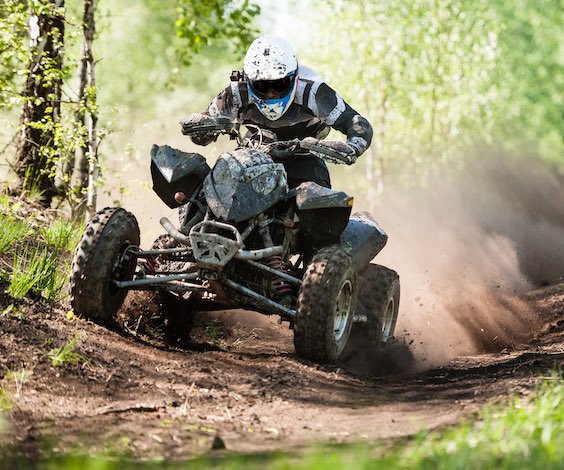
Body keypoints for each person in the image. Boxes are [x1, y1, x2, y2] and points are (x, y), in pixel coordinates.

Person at [185, 34, 373, 189]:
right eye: (262, 85)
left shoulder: (312, 91)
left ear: (294, 78)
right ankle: (192, 231)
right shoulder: (236, 92)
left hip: (305, 157)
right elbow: (204, 126)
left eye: (279, 84)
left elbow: (354, 120)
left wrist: (353, 147)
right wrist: (202, 129)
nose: (271, 93)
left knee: (318, 209)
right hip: (253, 153)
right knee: (210, 191)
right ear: (249, 80)